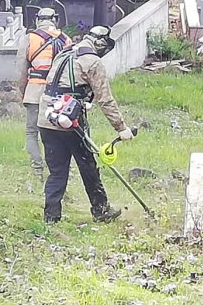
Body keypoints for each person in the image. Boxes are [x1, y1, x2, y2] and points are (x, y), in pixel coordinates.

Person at [37, 26, 134, 224]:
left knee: (57, 171)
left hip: (46, 118)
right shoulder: (92, 61)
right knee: (87, 165)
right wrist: (121, 128)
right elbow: (105, 99)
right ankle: (101, 210)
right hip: (71, 123)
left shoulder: (64, 54)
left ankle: (51, 217)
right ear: (100, 44)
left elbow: (59, 85)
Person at [20, 8, 72, 179]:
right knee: (56, 133)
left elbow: (21, 70)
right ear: (55, 20)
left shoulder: (30, 38)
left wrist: (23, 92)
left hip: (34, 91)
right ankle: (57, 171)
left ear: (37, 20)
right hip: (57, 94)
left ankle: (37, 170)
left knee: (31, 132)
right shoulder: (66, 40)